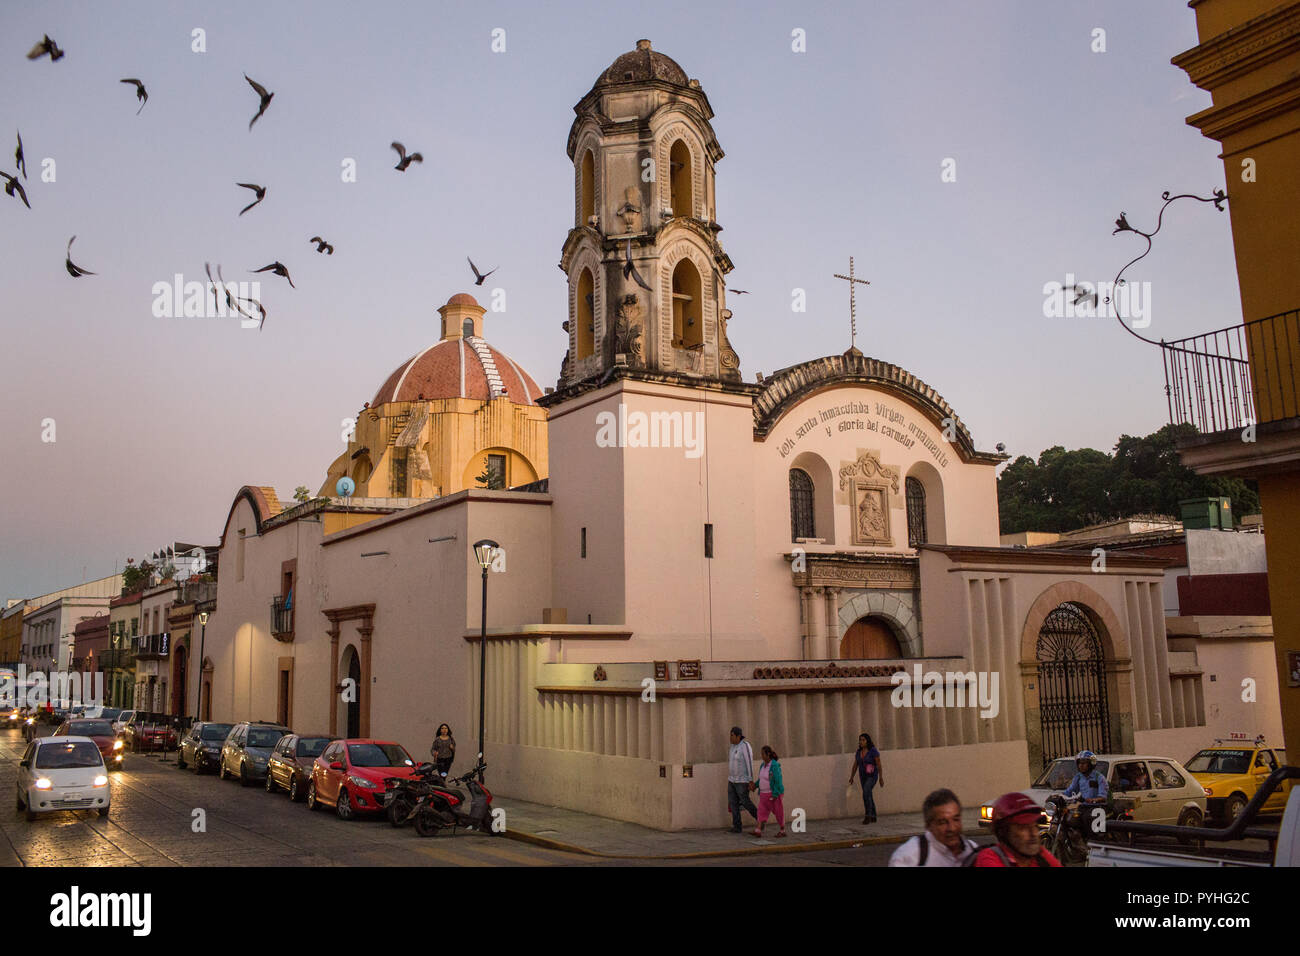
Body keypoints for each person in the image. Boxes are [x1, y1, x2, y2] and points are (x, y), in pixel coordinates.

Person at [888, 788, 978, 866]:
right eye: (942, 822)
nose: (952, 828)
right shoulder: (909, 857)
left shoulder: (973, 851)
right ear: (928, 825)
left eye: (956, 819)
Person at [972, 792, 1062, 867]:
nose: (1033, 833)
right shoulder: (989, 858)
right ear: (1004, 832)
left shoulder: (1040, 855)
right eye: (1023, 827)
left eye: (1034, 826)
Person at [726, 726, 758, 833]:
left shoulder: (745, 746)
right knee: (733, 803)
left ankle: (760, 818)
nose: (730, 738)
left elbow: (749, 762)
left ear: (738, 736)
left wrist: (750, 780)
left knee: (745, 802)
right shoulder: (732, 747)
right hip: (732, 780)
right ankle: (737, 826)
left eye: (732, 735)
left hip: (742, 781)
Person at [751, 745, 786, 838]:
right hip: (763, 794)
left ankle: (782, 830)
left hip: (773, 794)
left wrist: (775, 793)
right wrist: (755, 785)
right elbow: (761, 779)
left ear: (768, 754)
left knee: (778, 811)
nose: (761, 756)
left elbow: (778, 780)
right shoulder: (762, 765)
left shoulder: (774, 765)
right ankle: (758, 830)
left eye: (763, 754)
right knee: (761, 811)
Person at [848, 732, 883, 824]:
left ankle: (868, 815)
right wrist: (852, 776)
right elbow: (855, 765)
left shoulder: (873, 751)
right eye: (860, 740)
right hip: (863, 776)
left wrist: (881, 777)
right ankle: (873, 816)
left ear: (867, 741)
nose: (861, 742)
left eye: (863, 740)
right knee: (868, 794)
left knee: (866, 793)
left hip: (872, 776)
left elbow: (878, 764)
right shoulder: (858, 752)